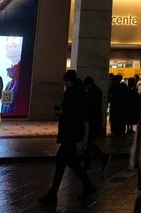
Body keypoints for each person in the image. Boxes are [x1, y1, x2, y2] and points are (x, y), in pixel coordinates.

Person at [38, 69, 98, 205]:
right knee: (71, 161)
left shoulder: (76, 93)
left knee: (61, 161)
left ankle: (53, 193)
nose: (65, 84)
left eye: (66, 81)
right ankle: (88, 185)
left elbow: (75, 112)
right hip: (72, 131)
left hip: (71, 132)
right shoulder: (78, 92)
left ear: (70, 81)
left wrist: (62, 113)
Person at [82, 75, 107, 170]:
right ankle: (89, 163)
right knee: (89, 142)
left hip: (92, 120)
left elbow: (90, 106)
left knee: (88, 142)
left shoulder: (92, 92)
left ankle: (99, 158)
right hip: (95, 119)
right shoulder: (97, 90)